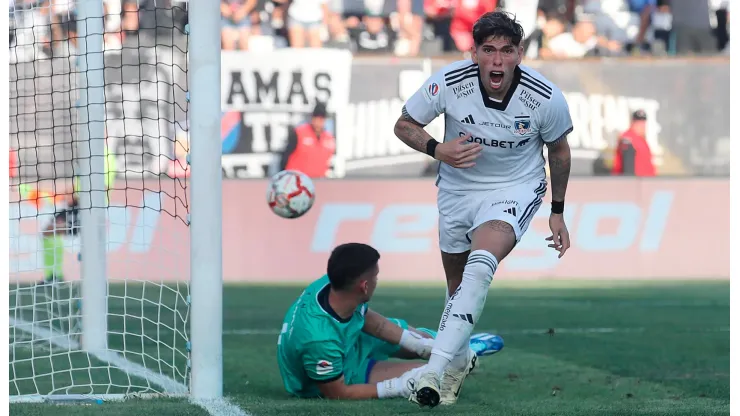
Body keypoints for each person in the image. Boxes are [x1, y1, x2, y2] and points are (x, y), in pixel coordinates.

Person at [393, 11, 573, 407]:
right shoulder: (450, 82)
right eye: (488, 50)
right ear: (473, 53)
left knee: (480, 267)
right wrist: (437, 149)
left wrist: (556, 210)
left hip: (515, 188)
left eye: (506, 51)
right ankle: (459, 360)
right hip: (457, 189)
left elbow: (558, 151)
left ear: (519, 54)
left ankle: (433, 372)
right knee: (457, 289)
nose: (497, 60)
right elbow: (404, 125)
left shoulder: (544, 97)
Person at [276, 243, 502, 400]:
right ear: (364, 286)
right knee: (435, 374)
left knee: (425, 342)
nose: (377, 281)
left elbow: (371, 320)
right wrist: (397, 387)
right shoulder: (319, 341)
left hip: (352, 336)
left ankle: (452, 347)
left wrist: (417, 345)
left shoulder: (332, 284)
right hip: (341, 366)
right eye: (375, 276)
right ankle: (457, 354)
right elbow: (338, 393)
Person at [280, 103, 336, 178]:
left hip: (319, 181)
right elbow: (285, 157)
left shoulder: (329, 138)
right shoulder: (299, 133)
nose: (318, 121)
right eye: (316, 117)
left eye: (321, 118)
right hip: (297, 181)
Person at [611, 109, 656, 177]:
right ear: (632, 123)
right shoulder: (627, 138)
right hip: (633, 183)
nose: (641, 125)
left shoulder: (642, 140)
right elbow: (627, 167)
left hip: (645, 182)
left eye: (643, 122)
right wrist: (630, 183)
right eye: (638, 122)